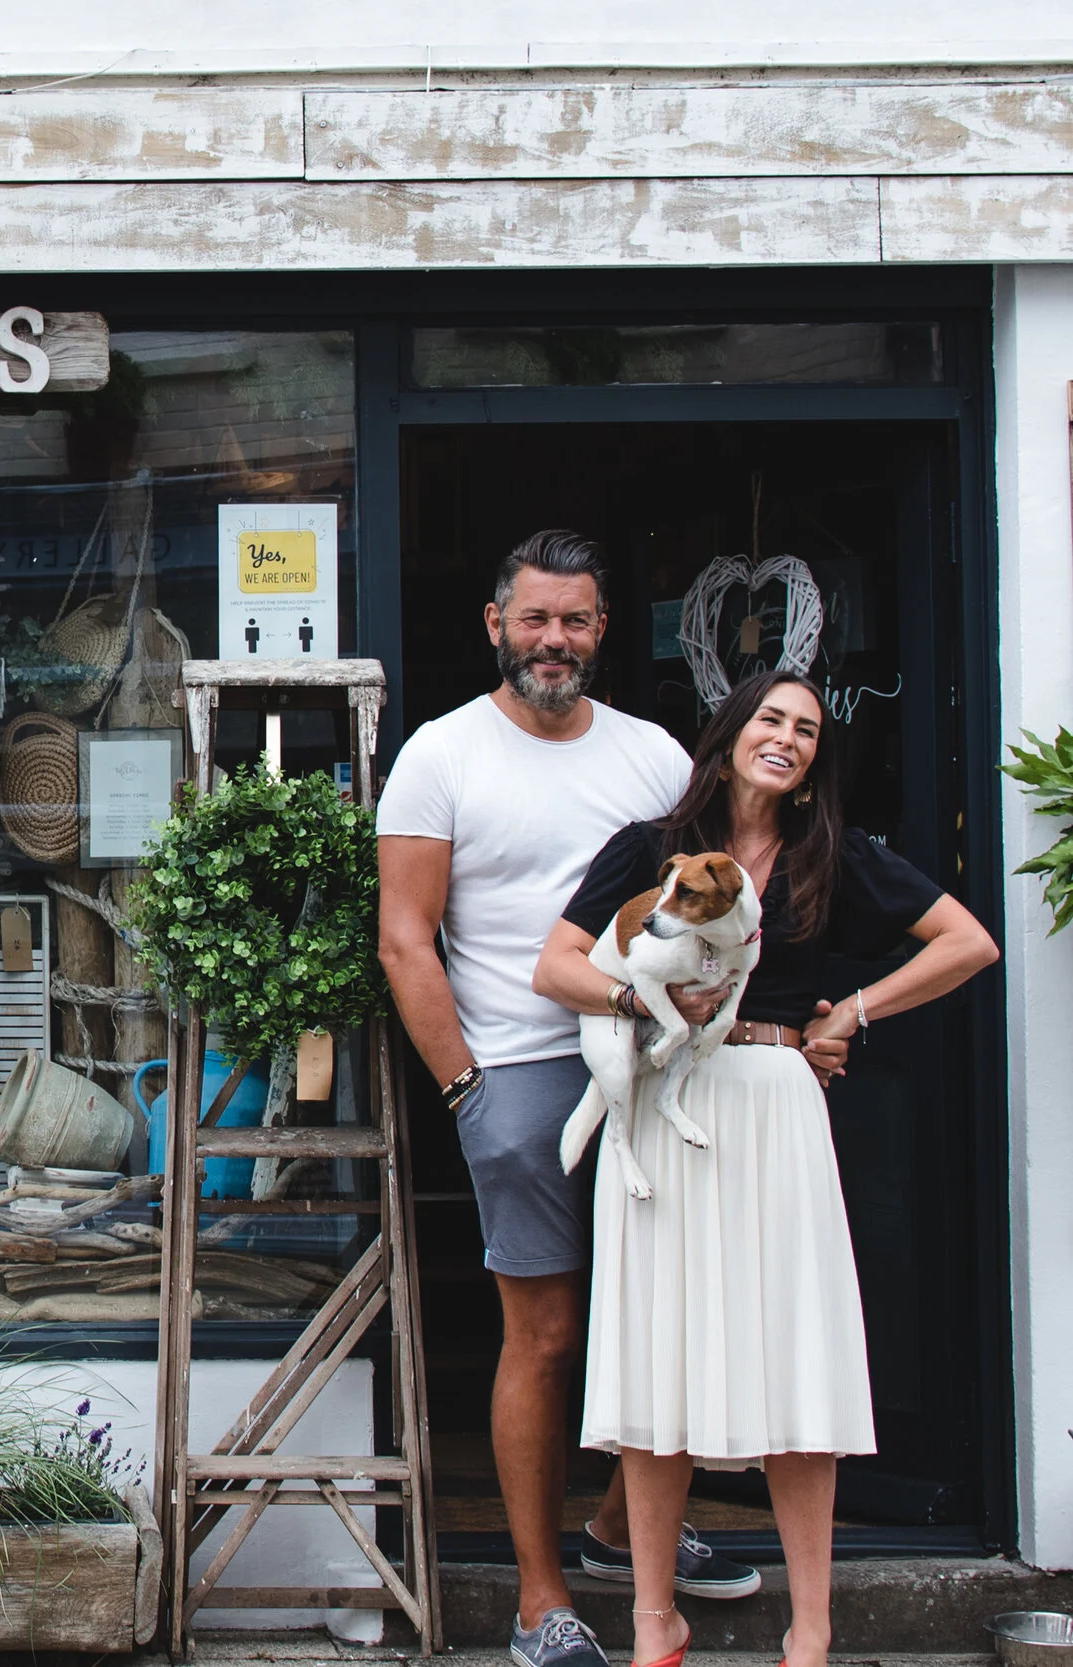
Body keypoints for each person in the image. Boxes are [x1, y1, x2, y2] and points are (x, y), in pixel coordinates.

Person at [535, 670, 996, 1667]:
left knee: (797, 1363)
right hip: (665, 1109)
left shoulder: (834, 854)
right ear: (730, 733)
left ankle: (812, 1629)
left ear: (812, 761)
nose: (786, 737)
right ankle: (655, 1619)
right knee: (661, 1360)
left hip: (778, 1098)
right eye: (770, 719)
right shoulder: (649, 847)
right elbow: (556, 965)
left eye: (807, 729)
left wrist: (851, 1011)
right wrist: (635, 1006)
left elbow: (967, 941)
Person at [377, 530, 759, 1667]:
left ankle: (611, 1532)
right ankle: (540, 1598)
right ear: (494, 623)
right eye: (535, 618)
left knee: (671, 1312)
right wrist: (463, 1085)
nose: (555, 640)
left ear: (603, 630)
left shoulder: (650, 756)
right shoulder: (440, 756)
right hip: (522, 1071)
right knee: (542, 1336)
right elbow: (405, 939)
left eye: (577, 619)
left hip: (661, 1062)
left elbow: (721, 903)